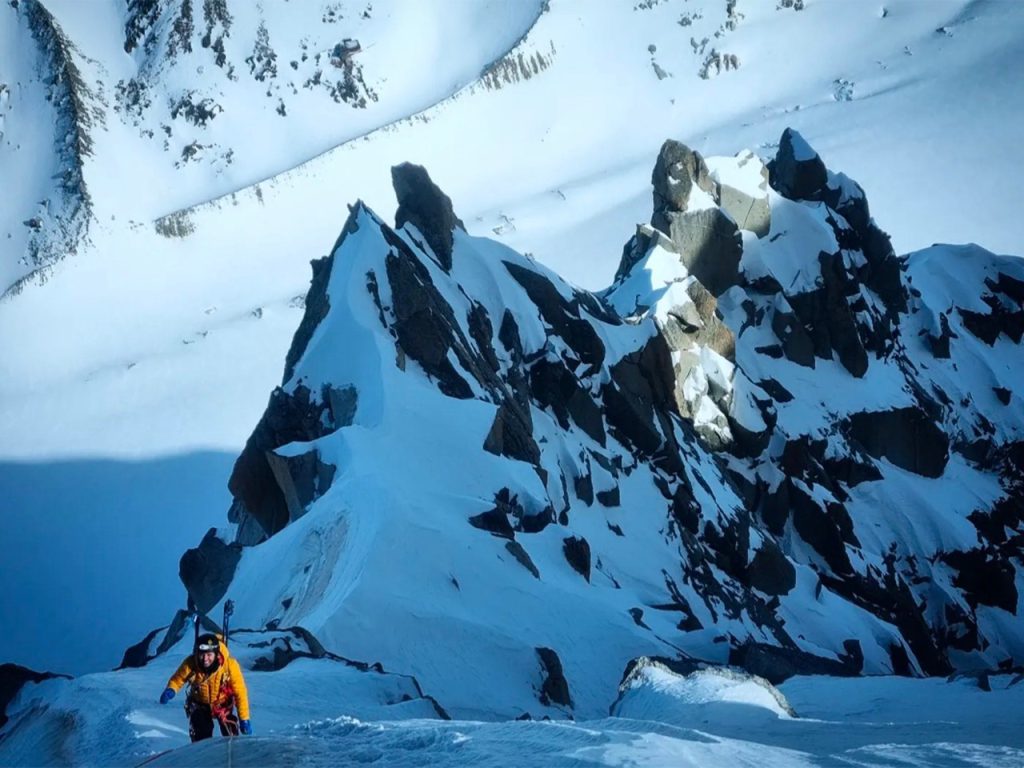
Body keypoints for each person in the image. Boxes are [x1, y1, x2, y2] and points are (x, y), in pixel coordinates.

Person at [159, 632, 252, 742]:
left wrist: (244, 718)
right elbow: (178, 679)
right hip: (200, 703)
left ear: (216, 654)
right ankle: (202, 752)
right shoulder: (191, 663)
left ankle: (232, 753)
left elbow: (240, 692)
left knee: (230, 733)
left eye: (209, 655)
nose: (205, 659)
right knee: (201, 734)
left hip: (222, 703)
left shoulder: (229, 665)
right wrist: (171, 689)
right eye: (202, 654)